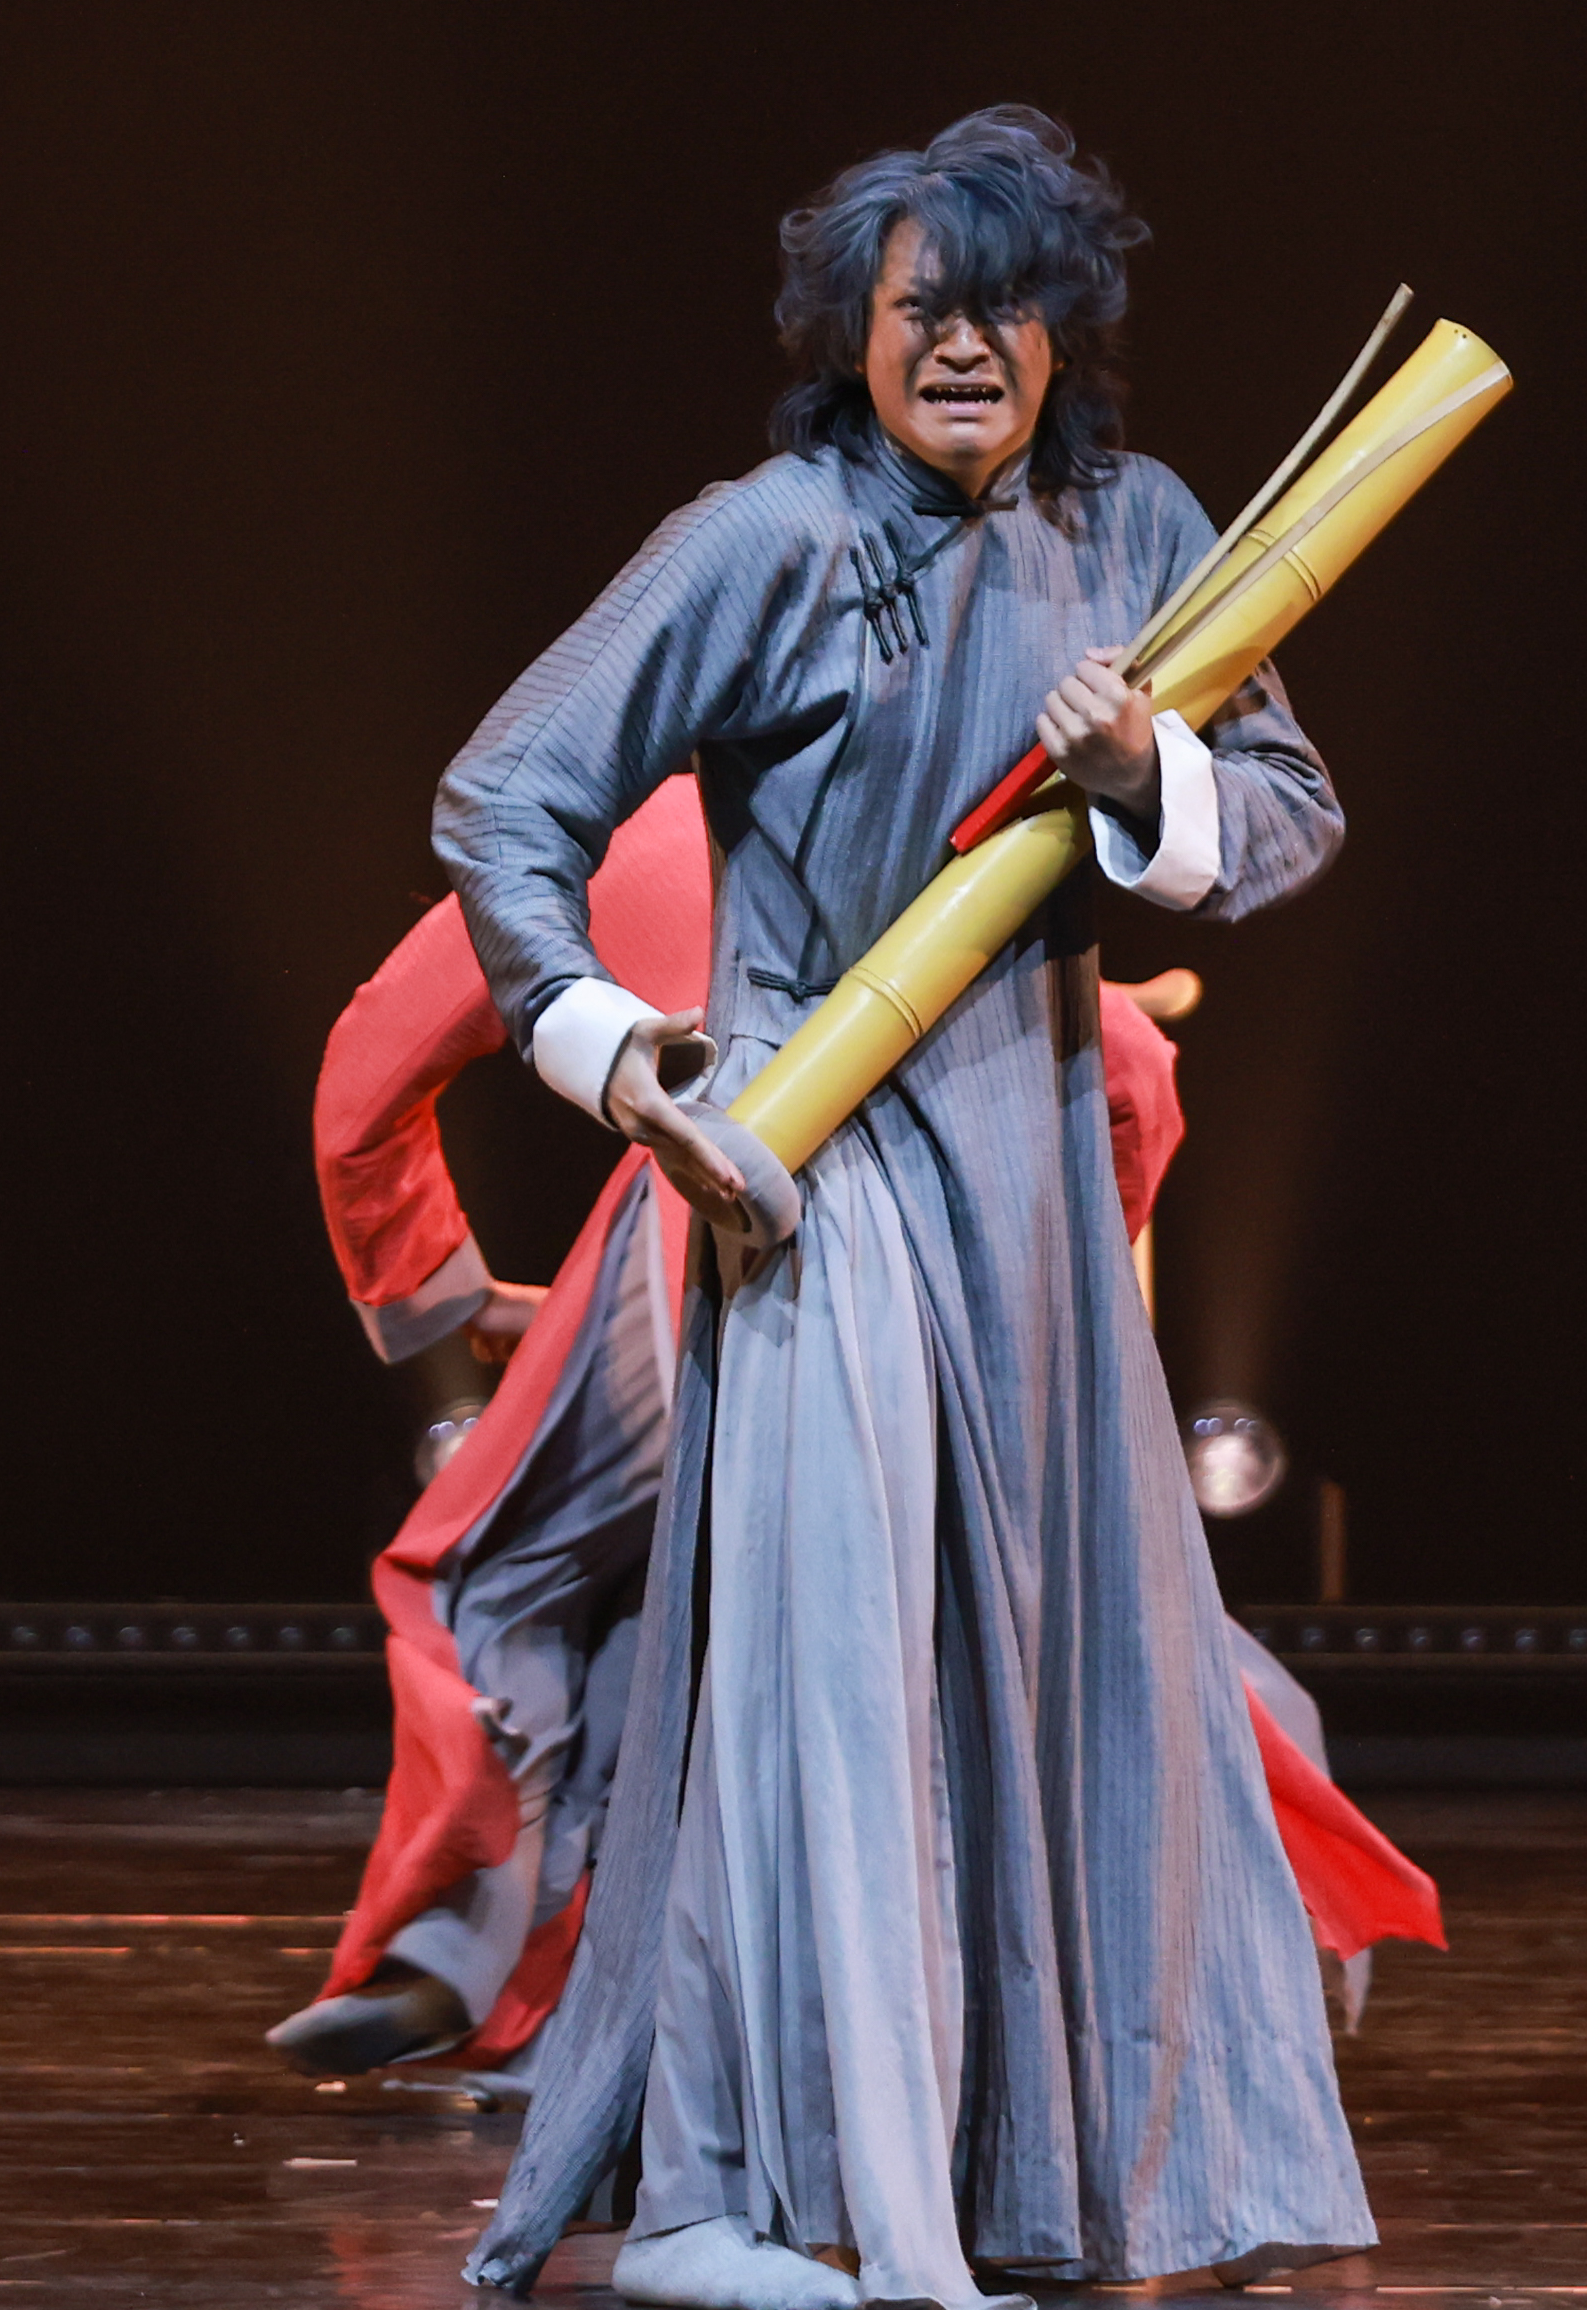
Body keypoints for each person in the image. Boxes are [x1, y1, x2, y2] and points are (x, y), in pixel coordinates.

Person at [439, 107, 1370, 2310]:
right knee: (827, 1673)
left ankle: (1016, 2176)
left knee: (1055, 1671)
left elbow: (1293, 807)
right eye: (921, 308)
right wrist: (621, 1056)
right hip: (814, 1167)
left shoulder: (1139, 530)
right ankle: (739, 2189)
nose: (966, 345)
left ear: (1066, 331)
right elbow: (507, 793)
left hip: (1028, 1183)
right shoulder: (765, 538)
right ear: (848, 334)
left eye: (1008, 306)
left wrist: (1146, 775)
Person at [273, 774, 1436, 2084]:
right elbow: (1133, 1074)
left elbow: (370, 1069)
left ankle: (457, 1947)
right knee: (1034, 1599)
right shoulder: (928, 822)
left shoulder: (590, 836)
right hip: (935, 1266)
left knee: (499, 1579)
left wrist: (436, 1297)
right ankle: (1203, 1946)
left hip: (707, 1216)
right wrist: (1056, 1281)